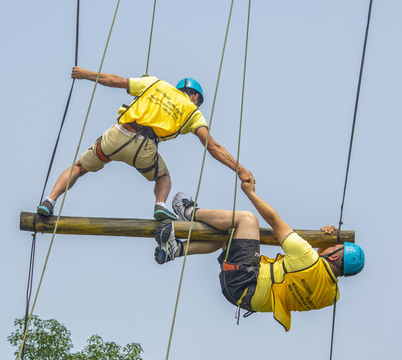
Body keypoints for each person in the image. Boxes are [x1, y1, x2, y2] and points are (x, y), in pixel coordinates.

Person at [37, 67, 252, 220]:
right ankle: (160, 205)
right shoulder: (193, 113)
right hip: (145, 149)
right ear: (194, 97)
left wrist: (84, 74)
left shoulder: (155, 84)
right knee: (164, 176)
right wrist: (240, 170)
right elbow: (213, 147)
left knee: (79, 167)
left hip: (119, 135)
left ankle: (50, 200)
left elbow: (114, 80)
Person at [154, 176, 365, 331]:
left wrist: (250, 193)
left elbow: (274, 221)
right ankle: (176, 250)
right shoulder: (331, 296)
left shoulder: (307, 257)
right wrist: (323, 245)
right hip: (243, 296)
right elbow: (316, 272)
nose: (330, 247)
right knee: (231, 235)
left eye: (334, 247)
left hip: (245, 279)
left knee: (247, 220)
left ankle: (188, 212)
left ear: (335, 256)